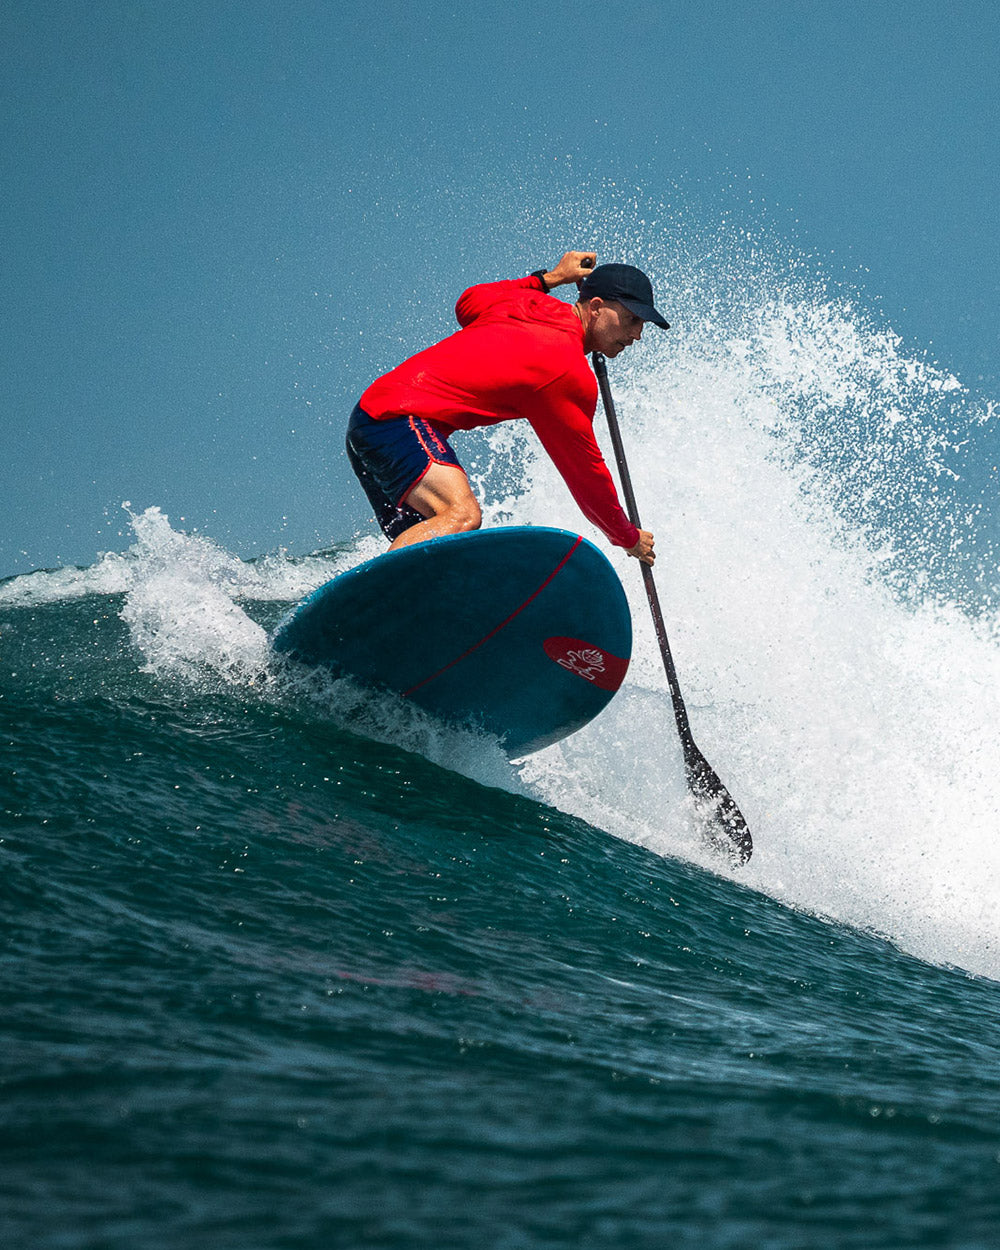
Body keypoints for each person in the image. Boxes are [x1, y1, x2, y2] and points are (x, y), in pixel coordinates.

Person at [345, 250, 670, 566]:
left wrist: (550, 279)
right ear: (596, 307)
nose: (637, 334)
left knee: (436, 551)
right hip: (394, 420)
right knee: (461, 515)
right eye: (632, 319)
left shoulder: (530, 302)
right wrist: (627, 537)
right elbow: (587, 478)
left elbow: (469, 302)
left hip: (370, 418)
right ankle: (362, 607)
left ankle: (403, 614)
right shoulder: (565, 371)